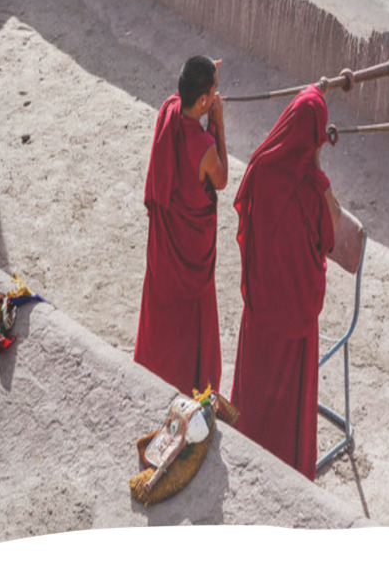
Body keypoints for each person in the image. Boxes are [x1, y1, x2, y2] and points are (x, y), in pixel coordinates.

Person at [230, 84, 341, 480]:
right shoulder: (315, 189)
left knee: (256, 393)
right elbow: (329, 240)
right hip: (295, 313)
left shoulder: (260, 168)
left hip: (260, 306)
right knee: (289, 403)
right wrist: (319, 167)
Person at [134, 55, 228, 395]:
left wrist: (204, 75)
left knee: (163, 316)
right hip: (190, 255)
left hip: (165, 247)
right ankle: (193, 388)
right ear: (203, 100)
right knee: (192, 323)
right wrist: (217, 124)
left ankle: (152, 371)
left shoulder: (168, 111)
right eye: (212, 93)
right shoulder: (203, 147)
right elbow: (222, 181)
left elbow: (182, 96)